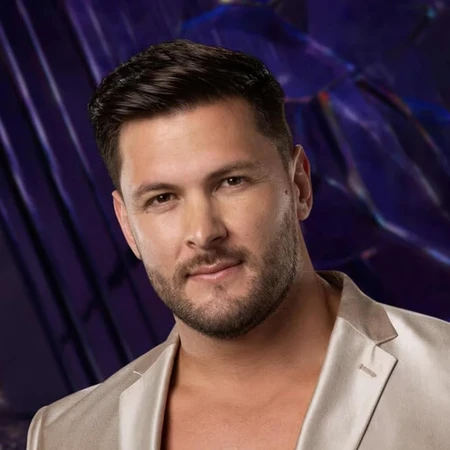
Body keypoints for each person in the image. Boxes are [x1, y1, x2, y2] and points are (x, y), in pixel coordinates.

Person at [27, 39, 450, 450]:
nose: (203, 232)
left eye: (231, 182)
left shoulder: (441, 378)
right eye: (162, 198)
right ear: (127, 224)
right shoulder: (64, 437)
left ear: (299, 186)